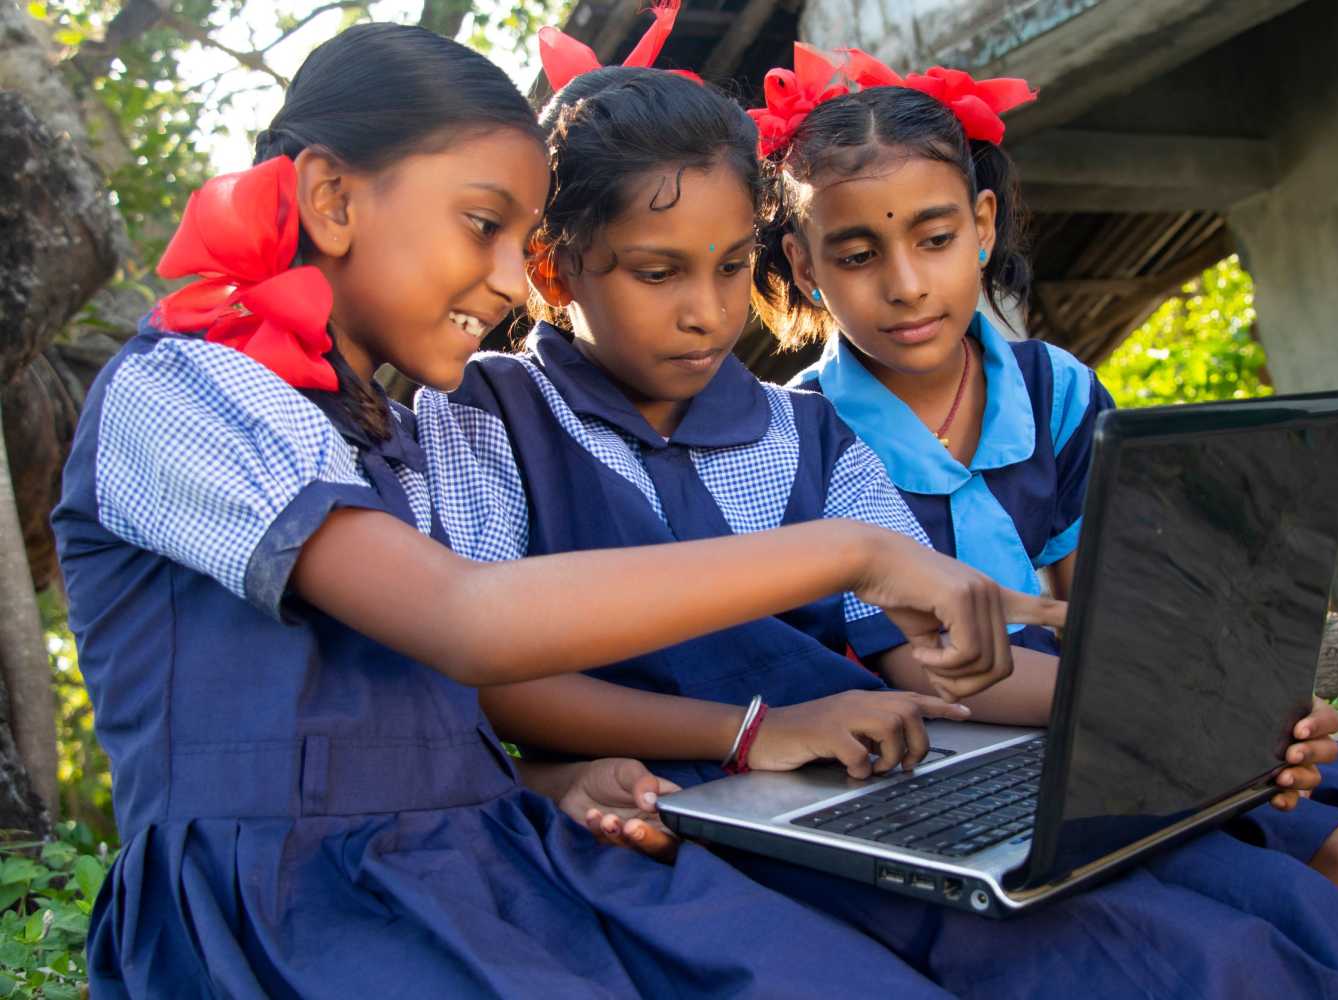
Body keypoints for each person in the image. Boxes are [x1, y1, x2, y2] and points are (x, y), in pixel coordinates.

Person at [50, 22, 1056, 998]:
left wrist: (551, 783)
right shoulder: (180, 392)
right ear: (330, 197)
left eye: (515, 239)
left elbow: (434, 720)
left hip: (491, 850)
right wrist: (849, 553)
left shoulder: (410, 433)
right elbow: (468, 623)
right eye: (483, 225)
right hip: (287, 910)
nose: (503, 281)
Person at [437, 49, 1338, 999]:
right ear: (555, 270)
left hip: (875, 784)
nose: (710, 312)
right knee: (1176, 959)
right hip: (691, 810)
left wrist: (1195, 716)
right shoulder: (491, 421)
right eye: (658, 275)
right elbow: (494, 677)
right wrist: (749, 733)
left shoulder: (810, 436)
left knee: (1287, 922)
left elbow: (935, 662)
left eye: (734, 266)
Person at [760, 47, 1338, 996]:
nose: (904, 284)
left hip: (1131, 718)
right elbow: (930, 675)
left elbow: (1113, 601)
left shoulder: (1054, 390)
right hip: (979, 754)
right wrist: (1204, 719)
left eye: (934, 240)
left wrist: (1258, 712)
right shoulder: (807, 437)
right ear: (802, 264)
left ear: (982, 227)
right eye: (858, 256)